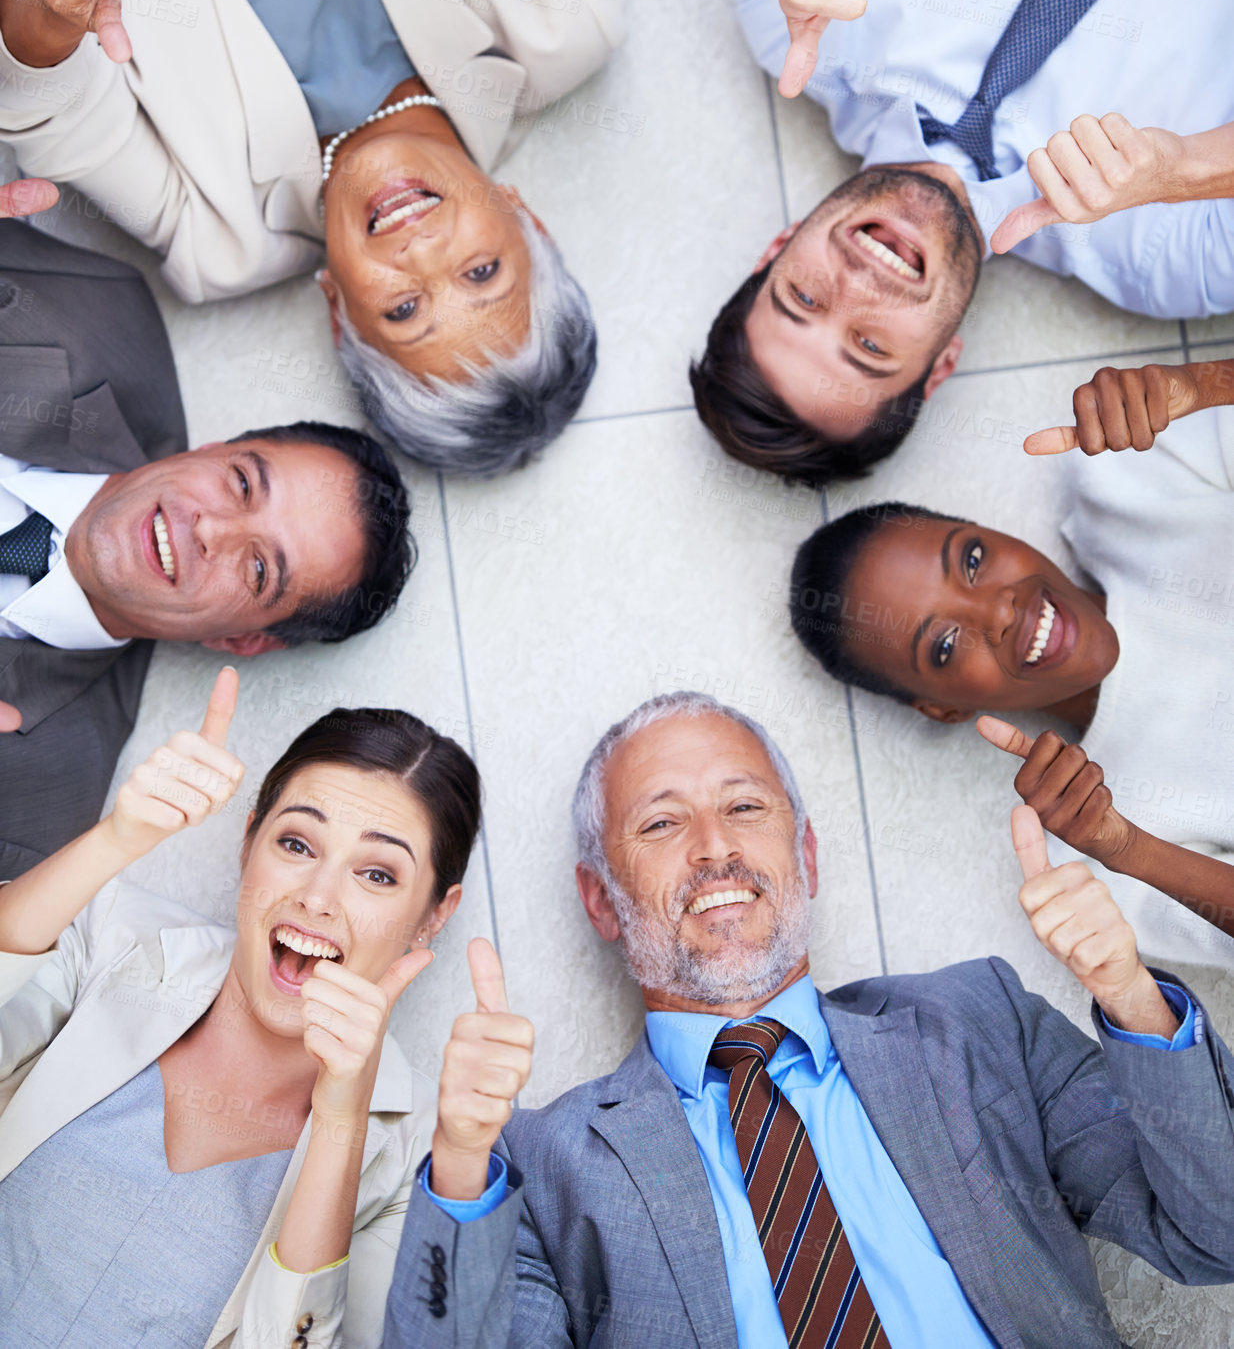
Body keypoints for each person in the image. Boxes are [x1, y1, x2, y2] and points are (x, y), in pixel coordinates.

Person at [382, 692, 1234, 1348]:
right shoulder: (540, 1165)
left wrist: (1130, 995)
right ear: (602, 900)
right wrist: (459, 1162)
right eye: (662, 822)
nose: (715, 846)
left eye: (746, 807)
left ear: (809, 855)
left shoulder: (977, 1023)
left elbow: (1218, 1231)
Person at [0, 0, 623, 476]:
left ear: (339, 310)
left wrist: (45, 14)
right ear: (527, 219)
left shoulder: (219, 243)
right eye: (482, 272)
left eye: (403, 311)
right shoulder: (563, 27)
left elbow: (49, 110)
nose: (419, 252)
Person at [692, 0, 1234, 485]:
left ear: (776, 248)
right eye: (871, 347)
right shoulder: (1165, 262)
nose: (858, 285)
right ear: (941, 363)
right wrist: (1192, 167)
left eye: (804, 296)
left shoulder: (796, 24)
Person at [0, 670, 485, 1348]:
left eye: (377, 874)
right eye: (296, 844)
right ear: (248, 841)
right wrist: (116, 839)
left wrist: (340, 1120)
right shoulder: (105, 934)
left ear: (434, 914)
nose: (318, 896)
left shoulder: (411, 1160)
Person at [0, 220, 413, 877]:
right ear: (212, 449)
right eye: (242, 482)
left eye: (257, 569)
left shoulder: (37, 806)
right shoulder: (87, 306)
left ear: (242, 641)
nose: (208, 529)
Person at [789, 356, 1234, 965]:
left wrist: (1209, 385)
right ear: (944, 707)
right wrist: (1130, 848)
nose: (998, 611)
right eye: (943, 646)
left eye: (972, 561)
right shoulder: (1100, 854)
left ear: (991, 530)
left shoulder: (1131, 473)